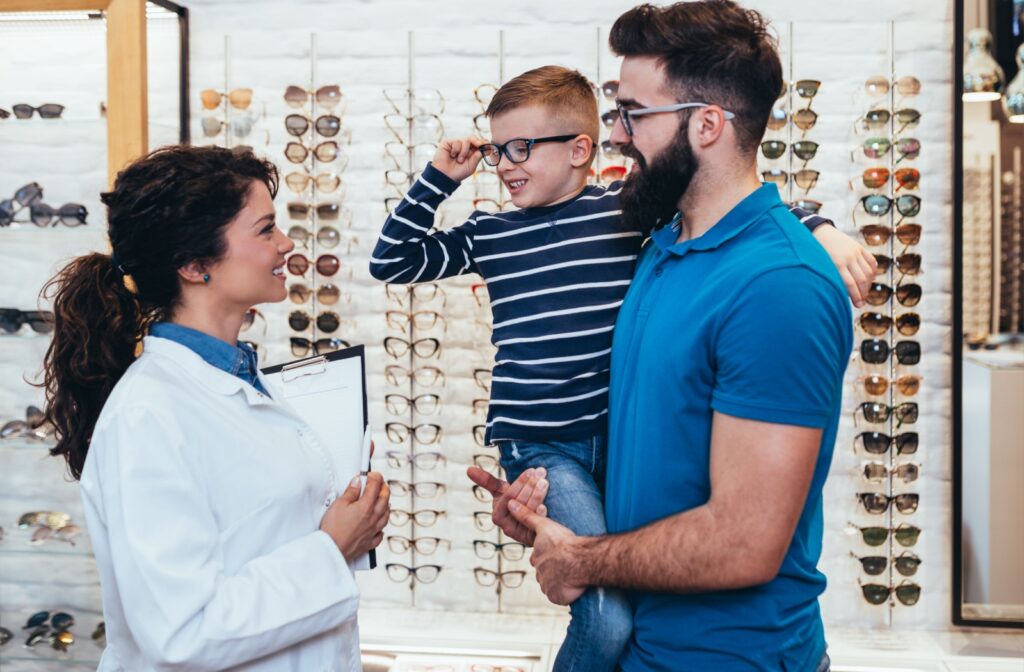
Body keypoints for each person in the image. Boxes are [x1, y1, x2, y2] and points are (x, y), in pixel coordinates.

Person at [372, 65, 870, 672]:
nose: (504, 164)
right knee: (607, 613)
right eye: (497, 150)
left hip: (613, 436)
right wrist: (440, 178)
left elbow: (732, 206)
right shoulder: (491, 233)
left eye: (522, 148)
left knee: (628, 578)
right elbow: (391, 261)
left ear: (580, 150)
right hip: (545, 447)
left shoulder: (627, 215)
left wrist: (819, 227)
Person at [39, 145, 389, 671]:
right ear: (195, 264)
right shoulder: (149, 414)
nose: (286, 243)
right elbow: (181, 631)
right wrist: (331, 548)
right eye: (266, 228)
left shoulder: (236, 382)